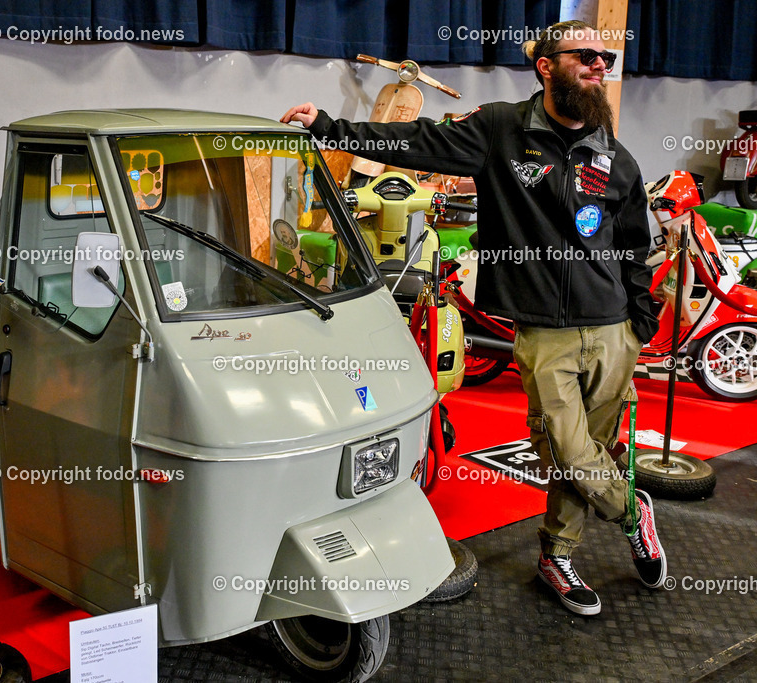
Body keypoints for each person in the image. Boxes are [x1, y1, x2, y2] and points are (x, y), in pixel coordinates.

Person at [281, 20, 666, 616]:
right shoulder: (499, 130)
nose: (597, 66)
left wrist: (639, 318)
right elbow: (413, 141)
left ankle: (556, 556)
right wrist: (330, 128)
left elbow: (636, 241)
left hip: (614, 328)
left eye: (604, 58)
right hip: (545, 331)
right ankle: (630, 510)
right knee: (566, 450)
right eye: (584, 56)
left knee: (596, 448)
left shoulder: (615, 154)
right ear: (546, 66)